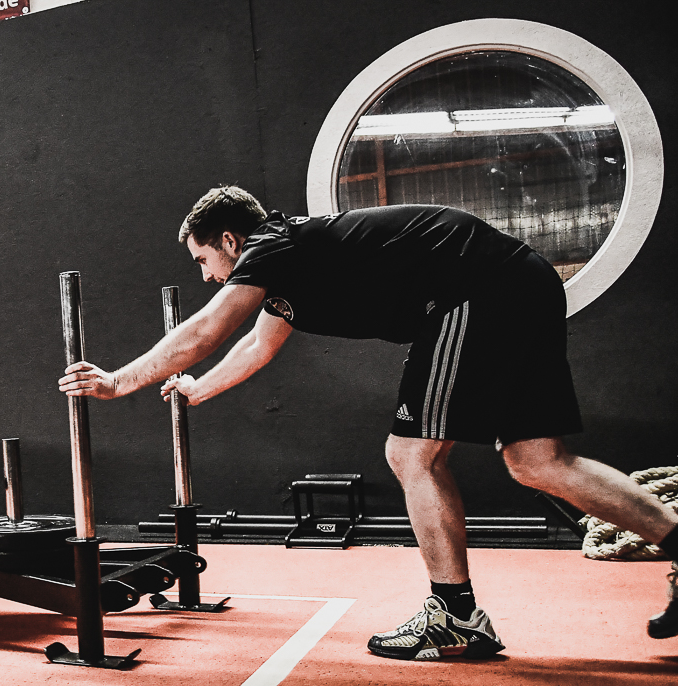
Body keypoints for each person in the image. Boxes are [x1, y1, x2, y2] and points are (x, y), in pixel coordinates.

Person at [58, 186, 678, 659]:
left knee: (413, 455)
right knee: (538, 460)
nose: (206, 276)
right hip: (515, 283)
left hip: (476, 290)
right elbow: (253, 347)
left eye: (204, 260)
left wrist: (118, 381)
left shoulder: (273, 245)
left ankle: (455, 618)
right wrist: (196, 390)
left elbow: (206, 329)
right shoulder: (289, 266)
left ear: (229, 241)